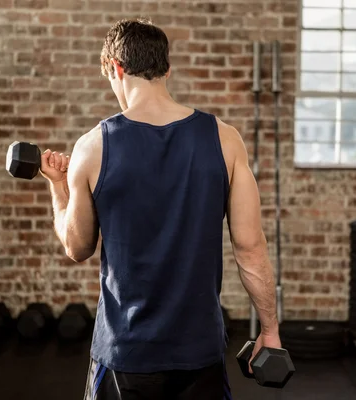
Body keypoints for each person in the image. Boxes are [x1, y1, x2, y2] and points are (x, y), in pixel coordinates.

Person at [39, 18, 280, 400]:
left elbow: (77, 248)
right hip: (199, 353)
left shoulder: (92, 147)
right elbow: (251, 248)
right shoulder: (226, 139)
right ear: (167, 69)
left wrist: (57, 186)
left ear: (115, 68)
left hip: (124, 353)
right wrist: (270, 330)